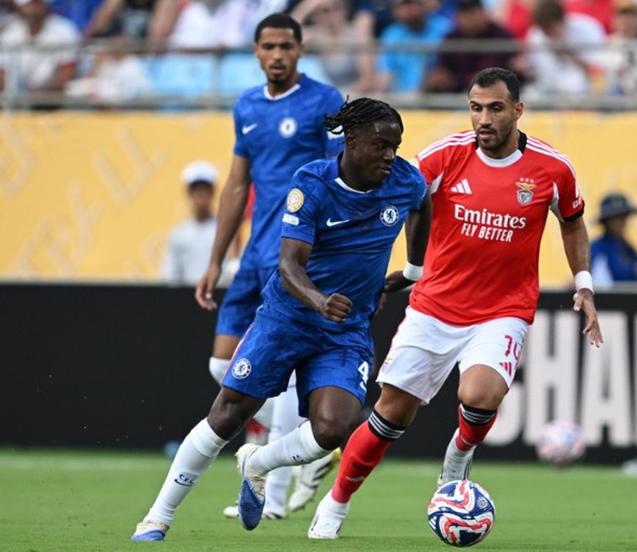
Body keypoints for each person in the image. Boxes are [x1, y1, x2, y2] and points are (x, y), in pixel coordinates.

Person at [308, 67, 602, 540]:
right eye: (475, 107)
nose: (482, 119)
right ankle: (336, 501)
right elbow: (398, 197)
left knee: (480, 395)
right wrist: (406, 267)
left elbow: (571, 221)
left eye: (494, 108)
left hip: (503, 309)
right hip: (434, 306)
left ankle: (456, 461)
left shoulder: (552, 168)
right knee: (390, 415)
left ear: (518, 110)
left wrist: (583, 284)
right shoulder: (444, 156)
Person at [130, 97, 432, 541]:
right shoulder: (312, 182)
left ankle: (259, 462)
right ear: (350, 141)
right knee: (227, 415)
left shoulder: (405, 180)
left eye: (396, 146)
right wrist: (319, 300)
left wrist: (413, 270)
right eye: (381, 145)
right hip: (287, 317)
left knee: (334, 427)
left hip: (345, 330)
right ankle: (157, 516)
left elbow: (422, 205)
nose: (391, 155)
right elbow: (289, 265)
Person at [194, 13, 344, 522]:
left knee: (272, 375)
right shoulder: (247, 105)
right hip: (254, 254)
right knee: (222, 366)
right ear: (255, 52)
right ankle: (310, 445)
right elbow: (237, 185)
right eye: (267, 46)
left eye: (286, 45)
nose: (277, 54)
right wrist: (216, 259)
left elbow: (339, 177)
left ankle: (272, 497)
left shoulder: (326, 102)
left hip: (297, 258)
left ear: (300, 50)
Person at [425, 0, 519, 93]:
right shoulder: (451, 37)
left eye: (473, 12)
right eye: (464, 13)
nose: (469, 18)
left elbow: (493, 75)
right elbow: (442, 72)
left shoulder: (501, 35)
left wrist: (457, 81)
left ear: (483, 12)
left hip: (494, 93)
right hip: (456, 93)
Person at [160, 161, 226, 286]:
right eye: (196, 189)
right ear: (189, 193)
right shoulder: (178, 234)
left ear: (212, 192)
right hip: (184, 300)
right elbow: (170, 275)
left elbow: (230, 271)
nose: (200, 194)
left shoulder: (225, 232)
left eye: (205, 189)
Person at [522, 0, 605, 97]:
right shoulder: (535, 35)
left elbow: (599, 69)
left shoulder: (587, 27)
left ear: (562, 20)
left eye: (550, 28)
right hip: (550, 95)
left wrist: (573, 56)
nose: (548, 35)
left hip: (586, 92)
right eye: (544, 30)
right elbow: (536, 72)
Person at [0, 0, 80, 95]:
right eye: (30, 4)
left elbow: (67, 73)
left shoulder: (65, 30)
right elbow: (2, 73)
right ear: (20, 7)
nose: (34, 9)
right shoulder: (9, 32)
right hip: (14, 100)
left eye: (37, 3)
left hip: (53, 100)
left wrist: (39, 97)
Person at [375, 0, 452, 93]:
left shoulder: (445, 28)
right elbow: (385, 73)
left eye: (413, 3)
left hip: (438, 96)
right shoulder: (391, 34)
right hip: (401, 98)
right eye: (405, 5)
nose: (410, 9)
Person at [590, 192, 637, 287]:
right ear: (607, 221)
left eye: (625, 216)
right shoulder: (596, 249)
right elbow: (600, 287)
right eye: (618, 218)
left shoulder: (631, 251)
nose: (623, 221)